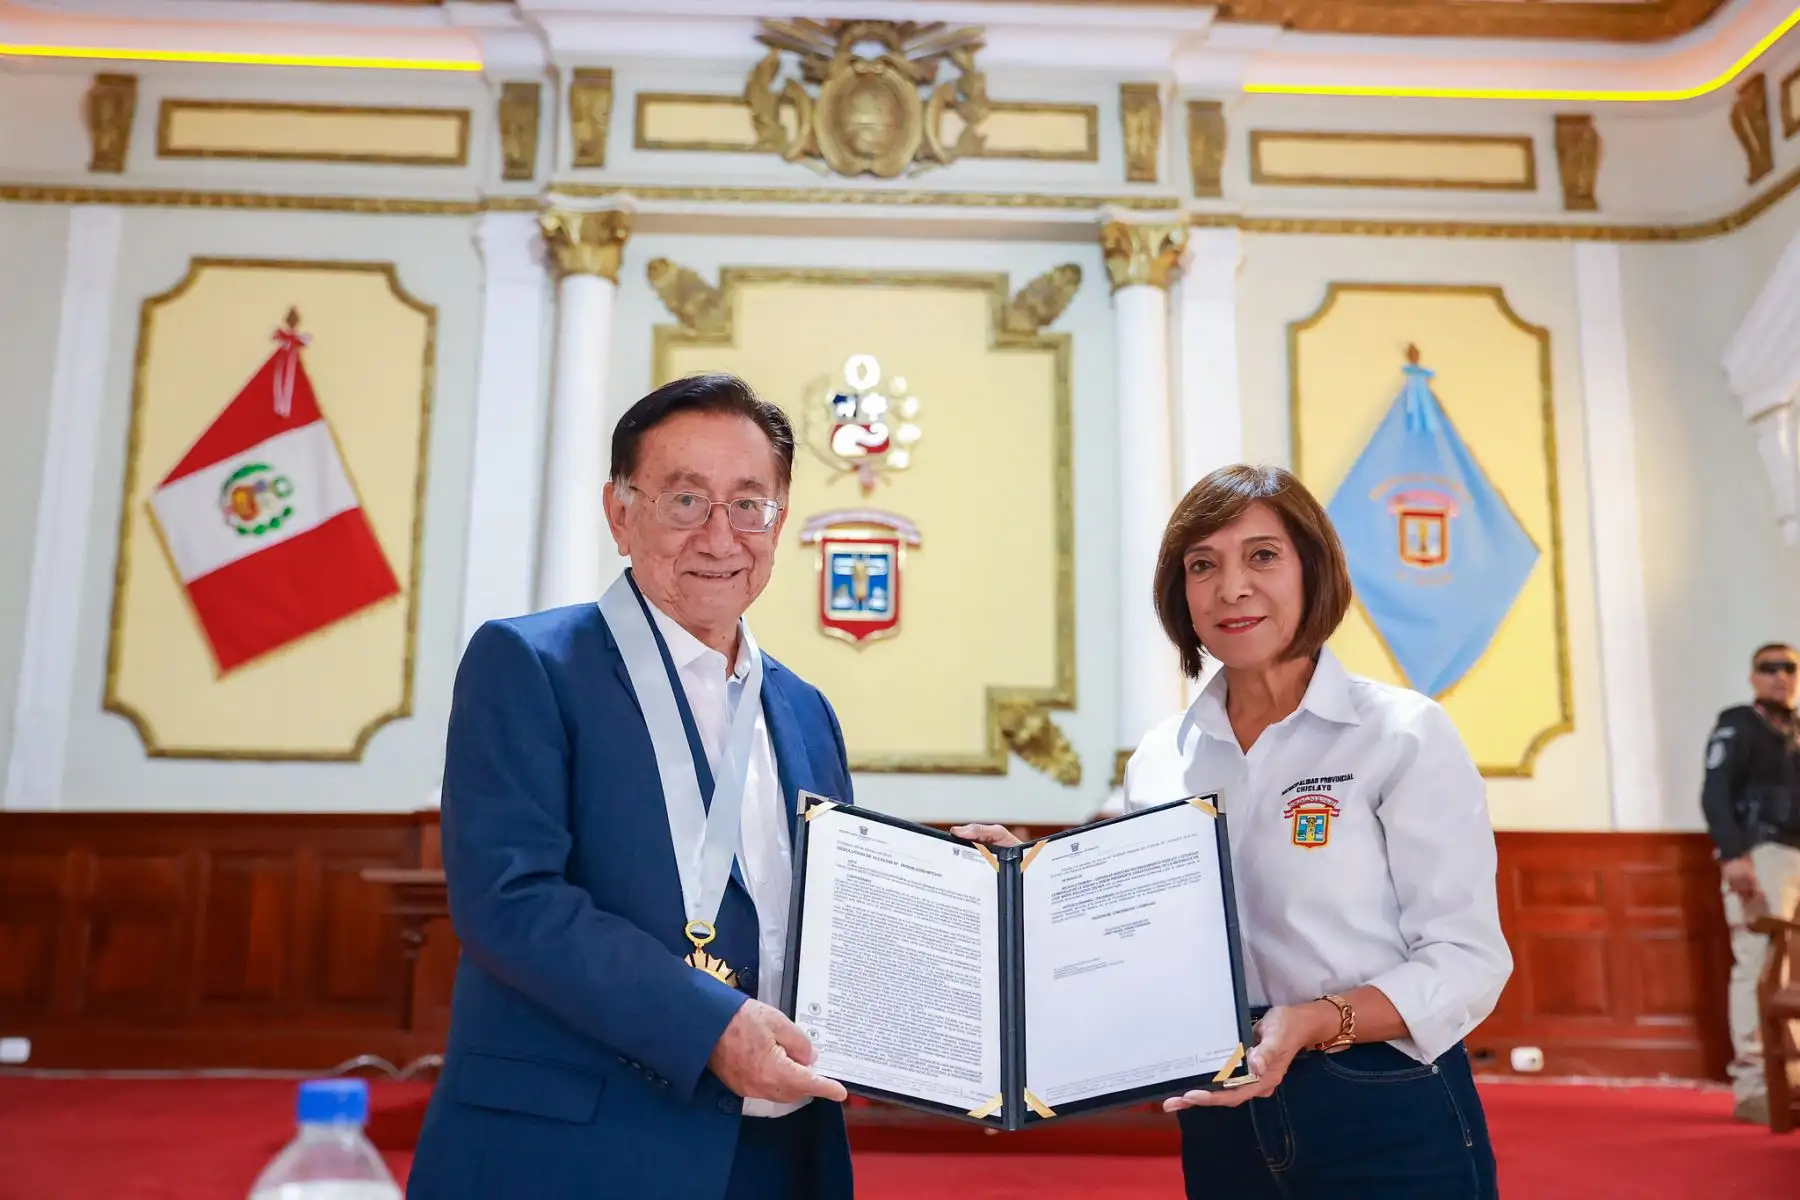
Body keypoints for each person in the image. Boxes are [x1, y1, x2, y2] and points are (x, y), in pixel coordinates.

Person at [956, 464, 1511, 1199]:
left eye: (1263, 555)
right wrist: (1018, 886)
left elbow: (1470, 961)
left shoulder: (1402, 735)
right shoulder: (1163, 758)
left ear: (1314, 568)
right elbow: (1136, 936)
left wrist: (1315, 1023)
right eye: (1202, 565)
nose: (1232, 588)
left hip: (1383, 1098)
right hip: (1220, 1108)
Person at [409, 374, 854, 1200]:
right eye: (686, 500)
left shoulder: (806, 710)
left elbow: (826, 910)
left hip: (778, 1154)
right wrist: (710, 1025)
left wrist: (954, 884)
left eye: (749, 504)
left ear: (780, 520)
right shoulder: (530, 665)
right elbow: (511, 900)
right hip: (576, 1152)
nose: (721, 536)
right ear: (621, 514)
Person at [1700, 641, 1800, 1126]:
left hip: (1797, 857)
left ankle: (1791, 1083)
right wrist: (1732, 855)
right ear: (1753, 676)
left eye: (1789, 668)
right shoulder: (1739, 722)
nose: (1780, 675)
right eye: (1769, 668)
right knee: (1758, 967)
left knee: (1793, 978)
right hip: (1761, 856)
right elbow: (1714, 791)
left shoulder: (1796, 730)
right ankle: (1755, 1085)